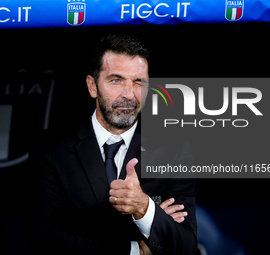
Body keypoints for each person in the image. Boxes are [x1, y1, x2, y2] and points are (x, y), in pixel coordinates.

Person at [24, 33, 197, 255]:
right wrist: (135, 250)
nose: (128, 94)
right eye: (116, 80)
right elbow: (43, 241)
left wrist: (143, 207)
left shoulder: (175, 149)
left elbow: (186, 246)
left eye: (138, 82)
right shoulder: (51, 147)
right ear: (92, 86)